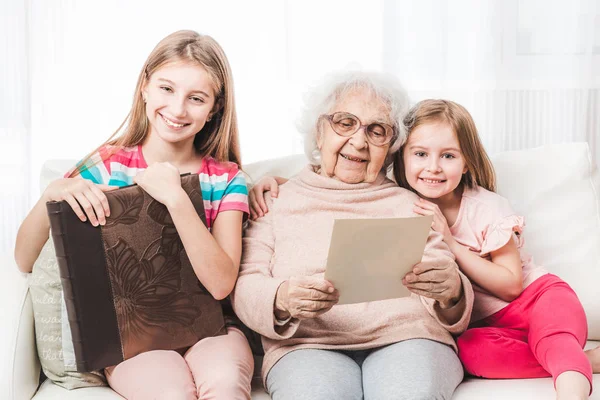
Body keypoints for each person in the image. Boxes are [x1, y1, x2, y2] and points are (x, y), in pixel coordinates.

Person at [14, 30, 253, 400]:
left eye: (196, 98)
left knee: (224, 384)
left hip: (210, 331)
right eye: (167, 89)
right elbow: (24, 257)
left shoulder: (226, 179)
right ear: (144, 86)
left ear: (215, 108)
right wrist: (53, 194)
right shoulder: (107, 166)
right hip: (135, 340)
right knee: (170, 392)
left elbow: (222, 284)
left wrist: (175, 197)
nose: (177, 109)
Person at [233, 71, 474, 400]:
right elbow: (246, 284)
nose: (359, 142)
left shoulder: (410, 203)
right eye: (344, 123)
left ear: (391, 147)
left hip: (410, 337)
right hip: (306, 345)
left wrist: (452, 291)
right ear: (319, 131)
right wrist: (282, 297)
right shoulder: (275, 201)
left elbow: (446, 286)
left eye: (377, 131)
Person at [394, 99, 599, 399]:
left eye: (448, 155)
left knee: (554, 339)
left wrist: (450, 242)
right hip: (494, 326)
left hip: (541, 299)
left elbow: (511, 286)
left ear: (466, 163)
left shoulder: (486, 206)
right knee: (470, 352)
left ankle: (568, 375)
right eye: (421, 154)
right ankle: (586, 360)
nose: (433, 167)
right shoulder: (402, 208)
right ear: (402, 159)